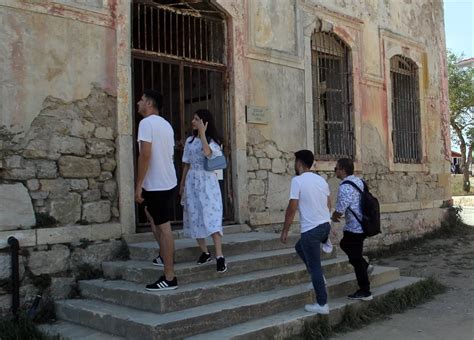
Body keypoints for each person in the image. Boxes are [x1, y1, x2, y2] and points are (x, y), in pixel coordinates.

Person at [135, 89, 178, 291]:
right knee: (154, 219)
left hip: (156, 184)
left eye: (141, 100)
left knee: (163, 227)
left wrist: (138, 185)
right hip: (168, 181)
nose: (138, 102)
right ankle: (163, 257)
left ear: (149, 104)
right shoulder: (166, 125)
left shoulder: (146, 124)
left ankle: (169, 277)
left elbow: (145, 155)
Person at [280, 150, 332, 315]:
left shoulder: (298, 181)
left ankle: (322, 304)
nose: (294, 165)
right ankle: (319, 278)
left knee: (315, 266)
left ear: (299, 163)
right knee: (300, 248)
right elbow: (328, 203)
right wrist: (325, 220)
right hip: (325, 226)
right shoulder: (321, 180)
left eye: (295, 162)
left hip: (311, 230)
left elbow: (292, 207)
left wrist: (285, 231)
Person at [180, 109, 227, 273]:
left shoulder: (212, 141)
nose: (193, 121)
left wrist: (202, 134)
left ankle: (219, 256)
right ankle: (204, 252)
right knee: (195, 216)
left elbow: (208, 154)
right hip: (192, 180)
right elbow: (186, 163)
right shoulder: (189, 141)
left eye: (197, 119)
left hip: (207, 182)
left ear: (205, 122)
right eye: (193, 118)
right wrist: (182, 184)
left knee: (211, 216)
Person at [331, 158, 374, 301]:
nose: (335, 171)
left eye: (336, 168)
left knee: (355, 259)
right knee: (345, 245)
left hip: (354, 227)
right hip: (362, 224)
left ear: (342, 169)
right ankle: (365, 265)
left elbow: (341, 208)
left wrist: (334, 217)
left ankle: (365, 291)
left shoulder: (345, 187)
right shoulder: (359, 181)